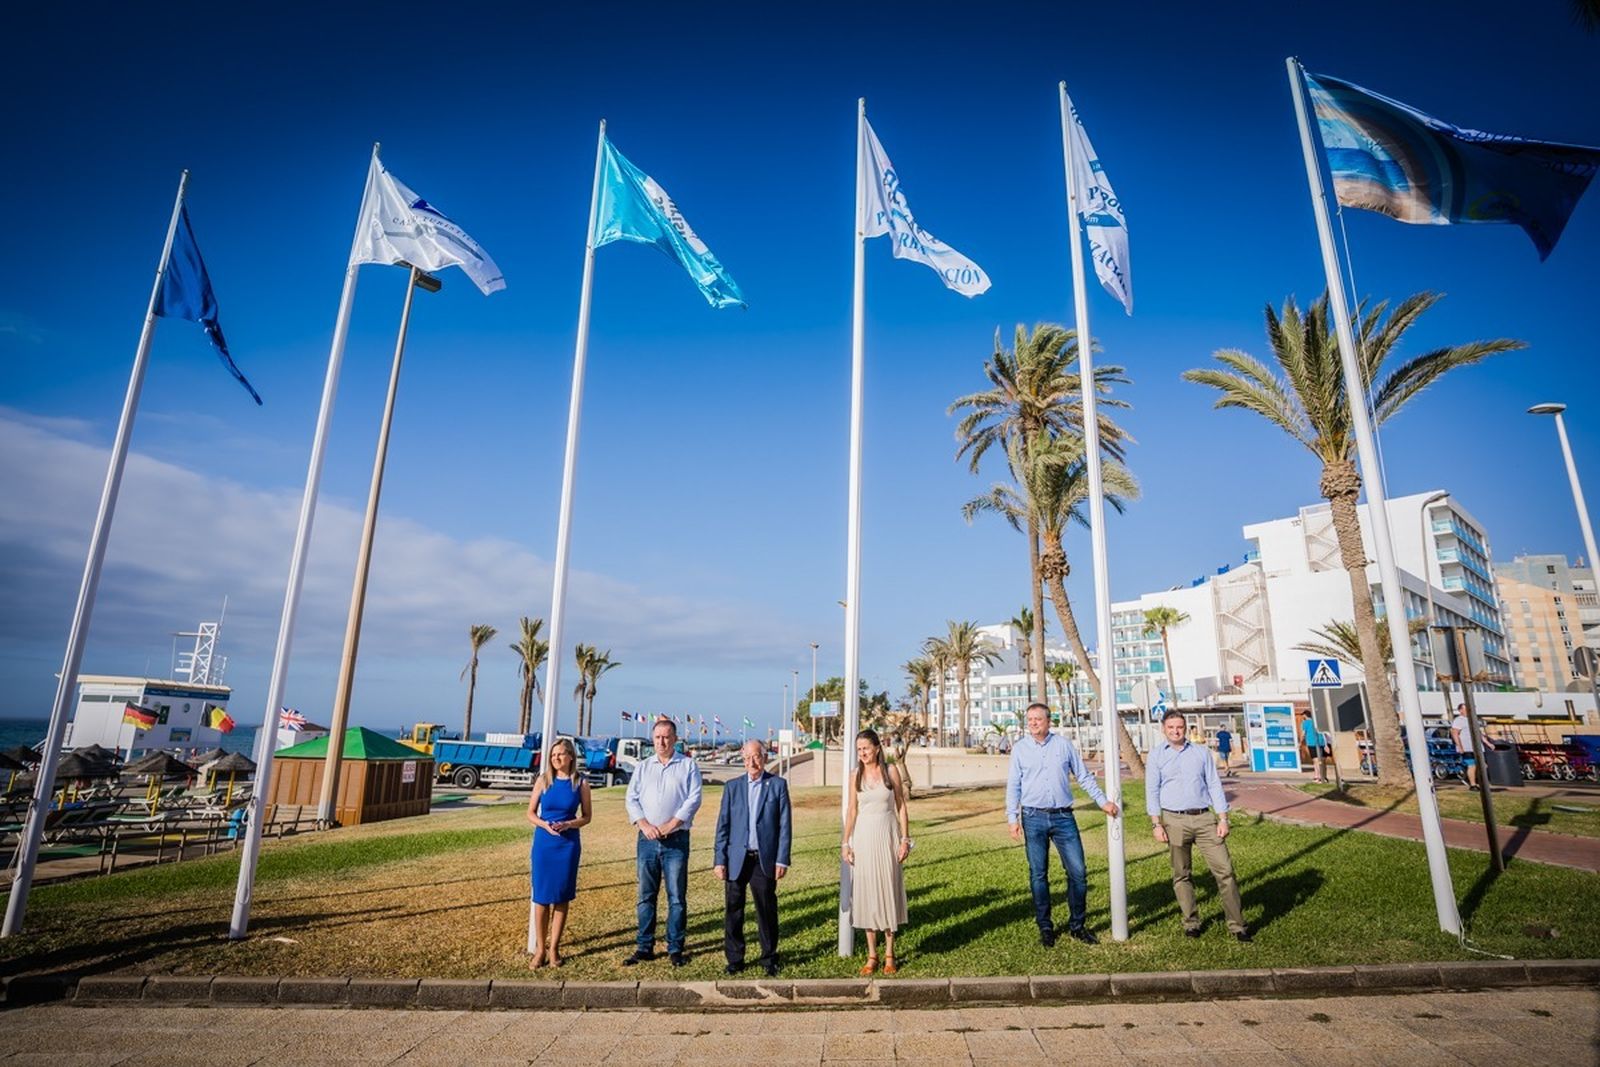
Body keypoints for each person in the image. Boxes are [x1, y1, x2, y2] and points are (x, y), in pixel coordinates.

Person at [1006, 703, 1119, 948]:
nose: (1033, 723)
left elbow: (1084, 777)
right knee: (1039, 875)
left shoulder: (1064, 746)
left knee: (1078, 873)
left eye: (1038, 719)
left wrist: (1102, 802)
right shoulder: (1020, 749)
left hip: (1063, 818)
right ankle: (1045, 927)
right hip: (1033, 817)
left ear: (1049, 721)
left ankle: (1077, 926)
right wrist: (1012, 819)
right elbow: (1014, 785)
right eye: (1030, 719)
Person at [1147, 709, 1249, 941]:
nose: (1175, 731)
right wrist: (1156, 823)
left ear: (1186, 728)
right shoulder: (1156, 756)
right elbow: (1152, 790)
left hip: (1204, 819)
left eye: (1179, 727)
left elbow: (1213, 784)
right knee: (1181, 874)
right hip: (1173, 820)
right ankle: (1191, 922)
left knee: (1225, 871)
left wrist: (1222, 818)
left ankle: (1237, 926)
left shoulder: (1201, 753)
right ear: (1164, 729)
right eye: (1171, 727)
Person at [623, 717, 703, 966]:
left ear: (675, 739)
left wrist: (671, 824)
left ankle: (675, 947)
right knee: (646, 896)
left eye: (666, 737)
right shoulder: (643, 767)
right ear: (653, 739)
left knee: (676, 897)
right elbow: (631, 799)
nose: (662, 741)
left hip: (676, 841)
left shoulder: (688, 765)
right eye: (657, 737)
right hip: (647, 841)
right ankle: (644, 946)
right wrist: (644, 824)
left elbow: (694, 799)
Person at [713, 739, 792, 976]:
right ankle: (735, 958)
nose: (752, 762)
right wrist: (719, 859)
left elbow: (784, 826)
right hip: (736, 858)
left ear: (765, 757)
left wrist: (782, 859)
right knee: (733, 910)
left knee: (766, 910)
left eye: (756, 756)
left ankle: (769, 958)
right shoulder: (732, 787)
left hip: (763, 859)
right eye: (747, 757)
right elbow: (723, 826)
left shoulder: (777, 785)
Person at [841, 728, 909, 975]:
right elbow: (851, 811)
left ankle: (890, 953)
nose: (862, 753)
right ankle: (872, 955)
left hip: (888, 837)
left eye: (866, 748)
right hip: (863, 838)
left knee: (888, 891)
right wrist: (846, 842)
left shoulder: (891, 771)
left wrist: (905, 839)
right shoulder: (855, 775)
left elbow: (901, 806)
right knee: (867, 894)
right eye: (859, 750)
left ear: (877, 748)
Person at [526, 737, 592, 968]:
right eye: (553, 755)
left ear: (571, 756)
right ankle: (540, 949)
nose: (556, 758)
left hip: (568, 844)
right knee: (542, 897)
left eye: (560, 754)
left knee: (562, 897)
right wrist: (544, 825)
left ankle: (554, 948)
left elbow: (587, 817)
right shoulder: (543, 781)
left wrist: (569, 824)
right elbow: (531, 813)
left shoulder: (581, 783)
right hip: (544, 844)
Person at [1451, 703, 1481, 790]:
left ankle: (1477, 782)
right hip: (1466, 747)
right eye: (1466, 709)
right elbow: (1455, 733)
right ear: (1460, 710)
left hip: (1476, 747)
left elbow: (1479, 733)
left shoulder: (1473, 720)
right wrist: (1459, 746)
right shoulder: (1458, 720)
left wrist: (1488, 743)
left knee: (1482, 765)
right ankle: (1473, 785)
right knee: (1472, 765)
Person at [1299, 712, 1328, 783]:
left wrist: (1300, 742)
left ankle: (1319, 777)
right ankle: (1322, 777)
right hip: (1321, 742)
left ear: (1305, 715)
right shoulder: (1317, 721)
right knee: (1322, 761)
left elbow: (1303, 733)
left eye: (1303, 716)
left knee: (1316, 761)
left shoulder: (1305, 722)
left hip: (1312, 743)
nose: (1303, 717)